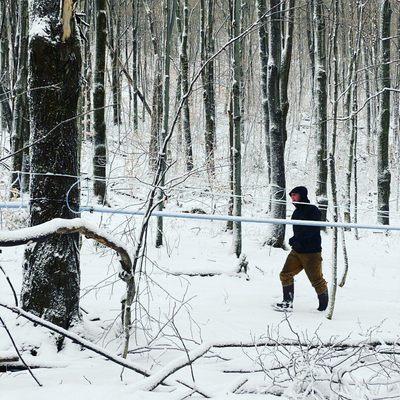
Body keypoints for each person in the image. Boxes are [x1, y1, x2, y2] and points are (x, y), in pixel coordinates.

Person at [273, 186, 329, 312]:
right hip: (297, 251)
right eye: (291, 195)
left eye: (295, 195)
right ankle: (287, 303)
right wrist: (294, 240)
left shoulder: (313, 210)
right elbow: (299, 230)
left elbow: (312, 230)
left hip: (311, 252)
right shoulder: (296, 212)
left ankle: (324, 308)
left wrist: (298, 240)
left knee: (317, 281)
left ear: (302, 195)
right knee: (285, 274)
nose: (292, 198)